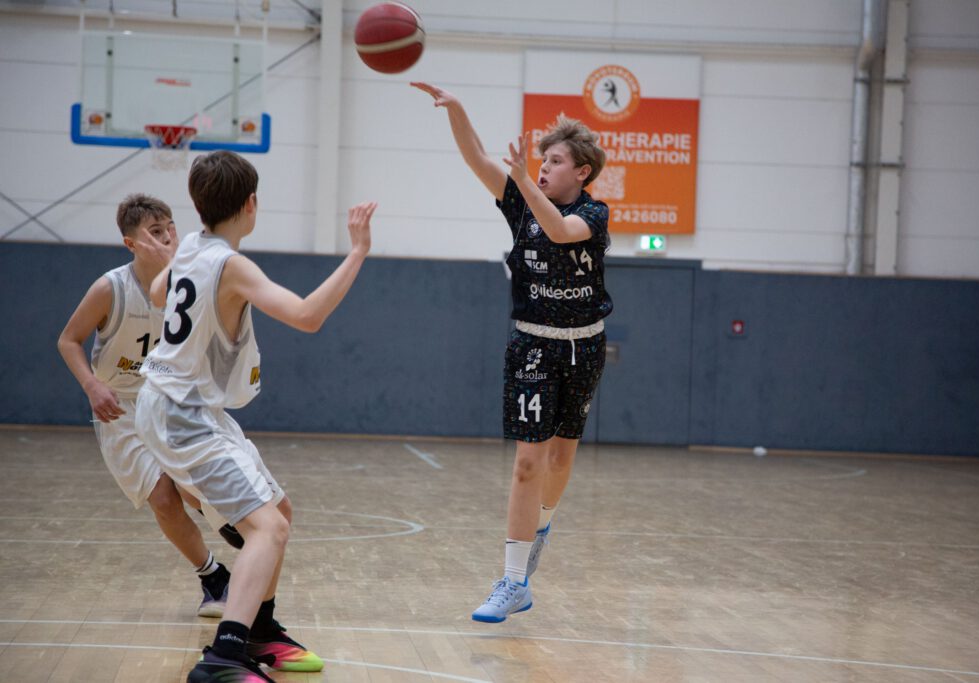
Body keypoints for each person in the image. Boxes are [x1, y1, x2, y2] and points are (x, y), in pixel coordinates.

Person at [135, 150, 376, 682]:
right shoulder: (230, 264)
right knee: (267, 528)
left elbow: (156, 292)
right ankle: (224, 656)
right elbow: (308, 316)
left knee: (278, 510)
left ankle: (261, 631)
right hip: (183, 412)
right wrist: (358, 251)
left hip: (180, 404)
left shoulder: (191, 246)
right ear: (251, 204)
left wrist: (176, 264)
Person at [412, 83, 612, 623]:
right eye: (541, 161)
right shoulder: (520, 201)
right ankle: (514, 580)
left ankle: (541, 526)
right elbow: (477, 157)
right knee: (528, 462)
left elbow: (560, 231)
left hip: (584, 346)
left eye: (555, 162)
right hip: (532, 344)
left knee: (560, 460)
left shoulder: (594, 213)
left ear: (582, 173)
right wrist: (457, 110)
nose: (543, 168)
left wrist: (523, 178)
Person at [57, 194, 240, 619]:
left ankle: (241, 532)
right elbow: (68, 340)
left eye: (170, 228)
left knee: (194, 487)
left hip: (169, 398)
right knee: (163, 497)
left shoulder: (186, 283)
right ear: (131, 243)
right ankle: (213, 578)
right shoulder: (110, 288)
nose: (167, 237)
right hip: (120, 405)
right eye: (155, 232)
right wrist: (91, 385)